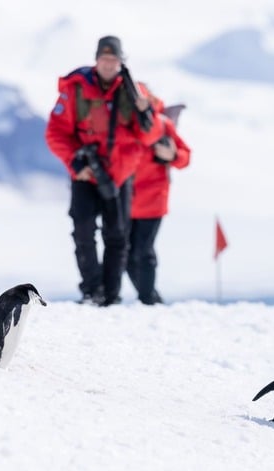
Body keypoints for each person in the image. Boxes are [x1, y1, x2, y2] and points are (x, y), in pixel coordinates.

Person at [45, 35, 163, 306]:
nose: (109, 64)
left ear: (121, 62)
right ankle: (91, 290)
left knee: (117, 236)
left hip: (121, 175)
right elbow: (55, 132)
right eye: (104, 59)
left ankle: (110, 295)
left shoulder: (135, 92)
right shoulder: (76, 89)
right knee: (83, 230)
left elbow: (150, 136)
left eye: (114, 60)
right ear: (96, 60)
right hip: (85, 173)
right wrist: (75, 162)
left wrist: (146, 112)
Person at [126, 87, 191, 305]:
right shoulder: (121, 123)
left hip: (153, 200)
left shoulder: (162, 123)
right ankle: (151, 298)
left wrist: (173, 154)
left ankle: (148, 300)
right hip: (125, 201)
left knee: (143, 251)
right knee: (126, 255)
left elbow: (185, 156)